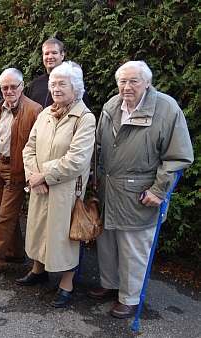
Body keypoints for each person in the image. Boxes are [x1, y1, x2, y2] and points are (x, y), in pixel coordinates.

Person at [88, 61, 194, 318]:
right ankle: (109, 284)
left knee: (133, 247)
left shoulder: (167, 109)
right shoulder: (111, 106)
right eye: (122, 81)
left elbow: (179, 157)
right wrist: (94, 180)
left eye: (134, 81)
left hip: (140, 192)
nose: (127, 87)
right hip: (108, 187)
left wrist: (159, 190)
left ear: (147, 82)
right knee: (107, 241)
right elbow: (98, 146)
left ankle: (130, 297)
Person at [16, 62, 96, 308]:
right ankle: (39, 270)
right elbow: (29, 148)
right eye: (53, 84)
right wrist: (33, 176)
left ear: (76, 87)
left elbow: (77, 160)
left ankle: (66, 284)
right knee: (40, 228)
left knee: (64, 236)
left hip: (67, 189)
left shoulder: (85, 118)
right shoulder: (45, 114)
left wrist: (44, 176)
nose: (57, 89)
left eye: (63, 84)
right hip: (41, 184)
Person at [0, 68, 43, 281]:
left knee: (4, 217)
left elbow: (38, 146)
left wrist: (34, 174)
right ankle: (14, 253)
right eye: (5, 87)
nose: (9, 90)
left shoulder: (34, 110)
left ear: (22, 85)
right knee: (4, 212)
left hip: (17, 170)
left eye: (14, 86)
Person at [26, 38, 65, 108]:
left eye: (54, 53)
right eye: (46, 54)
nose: (50, 57)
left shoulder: (72, 82)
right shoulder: (35, 84)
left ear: (62, 55)